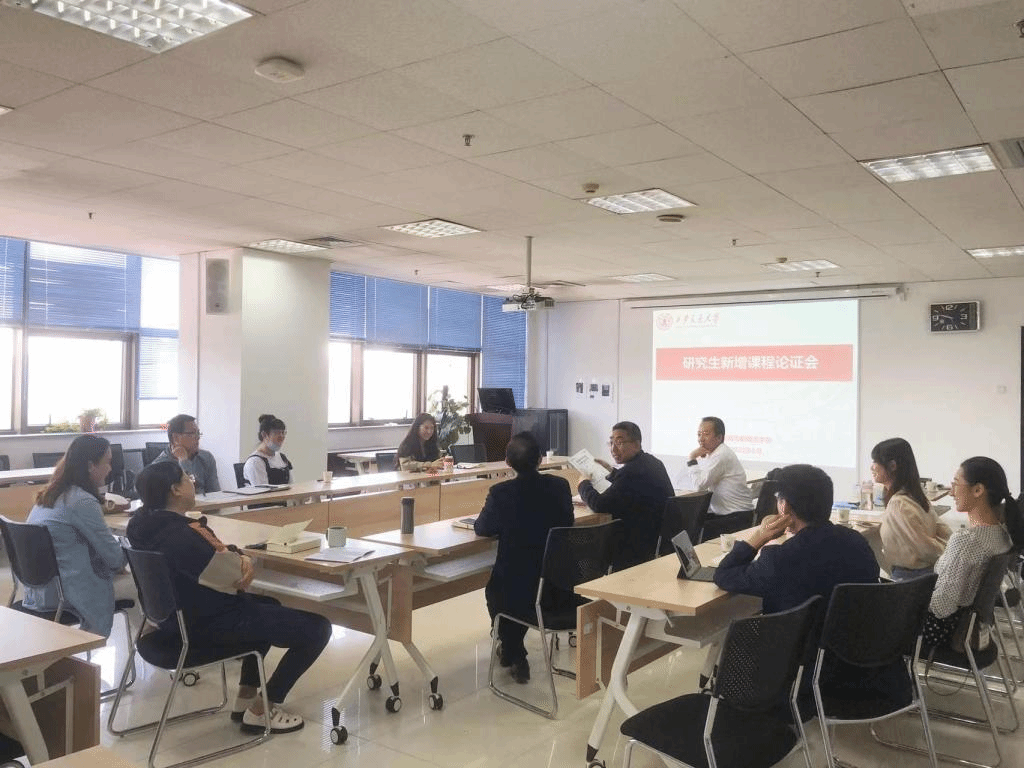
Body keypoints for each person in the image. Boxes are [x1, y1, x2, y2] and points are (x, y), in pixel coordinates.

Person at [127, 462, 331, 734]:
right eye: (187, 478)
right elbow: (234, 577)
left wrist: (235, 555)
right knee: (317, 628)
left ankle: (245, 698)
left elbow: (217, 556)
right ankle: (262, 710)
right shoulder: (183, 535)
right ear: (175, 490)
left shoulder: (140, 526)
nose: (192, 481)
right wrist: (244, 559)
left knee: (269, 605)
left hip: (172, 623)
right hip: (206, 626)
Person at [712, 463, 880, 702]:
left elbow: (724, 575)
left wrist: (759, 537)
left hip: (800, 674)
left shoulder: (779, 560)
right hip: (862, 665)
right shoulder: (857, 543)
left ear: (785, 507)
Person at [475, 432, 574, 684]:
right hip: (558, 588)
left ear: (507, 462)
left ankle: (514, 651)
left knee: (499, 592)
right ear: (540, 459)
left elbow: (483, 528)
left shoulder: (500, 493)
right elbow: (568, 521)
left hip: (518, 591)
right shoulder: (560, 486)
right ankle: (512, 650)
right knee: (515, 585)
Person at [22, 434, 127, 636]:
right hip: (68, 592)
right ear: (90, 465)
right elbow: (115, 559)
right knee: (143, 586)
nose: (110, 469)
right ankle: (149, 648)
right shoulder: (81, 500)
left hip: (39, 589)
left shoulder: (49, 494)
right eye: (107, 462)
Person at [921, 456, 1023, 649]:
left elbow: (941, 607)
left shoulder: (966, 541)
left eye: (955, 484)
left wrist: (909, 598)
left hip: (944, 630)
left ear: (978, 490)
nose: (951, 492)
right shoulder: (1003, 535)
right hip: (970, 628)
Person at [577, 421, 673, 571]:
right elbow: (631, 488)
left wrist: (583, 484)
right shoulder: (652, 462)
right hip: (656, 540)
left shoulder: (630, 473)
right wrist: (612, 472)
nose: (613, 449)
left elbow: (600, 505)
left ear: (636, 444)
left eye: (619, 443)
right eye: (611, 443)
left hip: (635, 546)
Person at [871, 437, 950, 580]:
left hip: (910, 578)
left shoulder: (898, 503)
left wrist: (948, 555)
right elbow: (945, 534)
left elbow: (925, 548)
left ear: (892, 466)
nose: (872, 467)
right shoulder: (916, 497)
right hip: (922, 575)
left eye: (875, 462)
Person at [684, 417, 754, 540]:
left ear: (719, 437)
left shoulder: (721, 455)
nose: (701, 439)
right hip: (730, 514)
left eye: (706, 434)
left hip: (737, 517)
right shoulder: (716, 453)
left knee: (693, 529)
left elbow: (699, 486)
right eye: (699, 434)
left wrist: (691, 459)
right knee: (692, 522)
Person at [154, 414, 220, 494]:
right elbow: (189, 494)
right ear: (176, 438)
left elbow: (216, 494)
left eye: (198, 433)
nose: (198, 437)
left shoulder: (206, 457)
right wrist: (184, 461)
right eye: (192, 433)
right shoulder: (160, 465)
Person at [242, 414, 292, 486]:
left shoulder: (282, 458)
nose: (282, 437)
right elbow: (263, 492)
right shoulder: (255, 462)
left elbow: (292, 486)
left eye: (283, 433)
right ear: (264, 435)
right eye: (277, 433)